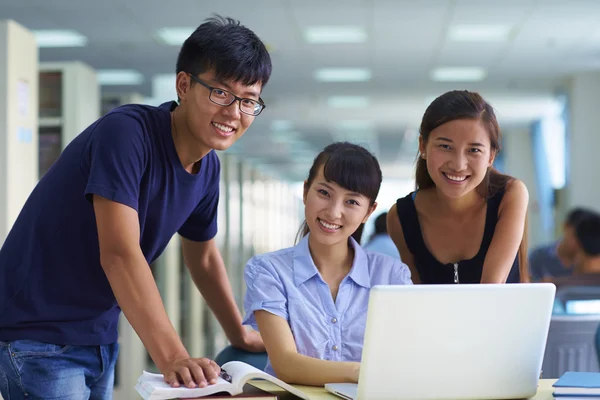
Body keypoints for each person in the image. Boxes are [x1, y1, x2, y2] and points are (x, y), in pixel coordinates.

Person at [0, 15, 270, 399]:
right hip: (38, 331)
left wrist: (237, 332)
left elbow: (205, 258)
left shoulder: (208, 166)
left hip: (99, 335)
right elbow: (120, 254)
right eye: (221, 93)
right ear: (184, 85)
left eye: (248, 101)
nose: (233, 112)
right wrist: (173, 356)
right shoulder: (127, 134)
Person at [242, 142, 413, 386]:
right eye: (324, 193)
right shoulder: (269, 271)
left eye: (351, 202)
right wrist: (359, 372)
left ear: (368, 212)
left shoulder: (392, 276)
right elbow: (286, 364)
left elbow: (404, 359)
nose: (333, 212)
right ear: (305, 192)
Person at [387, 90, 529, 284]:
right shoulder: (401, 216)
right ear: (422, 146)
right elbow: (417, 298)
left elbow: (492, 288)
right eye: (445, 147)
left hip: (504, 314)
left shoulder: (510, 194)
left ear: (491, 156)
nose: (458, 164)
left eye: (474, 150)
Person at [529, 208, 596, 282]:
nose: (577, 243)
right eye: (575, 236)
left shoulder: (588, 263)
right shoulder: (538, 256)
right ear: (566, 226)